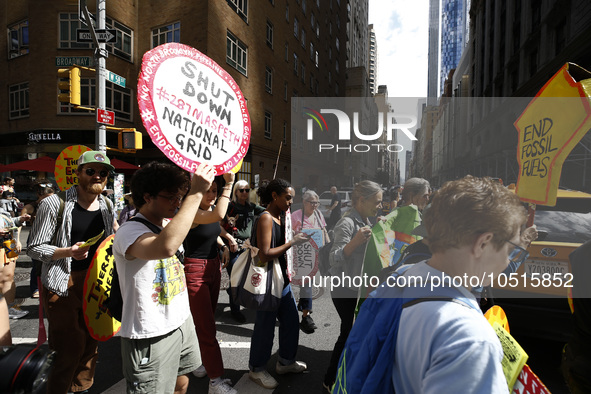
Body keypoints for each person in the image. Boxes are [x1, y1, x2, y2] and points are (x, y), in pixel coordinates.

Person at [391, 176, 528, 392]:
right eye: (509, 249)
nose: (507, 261)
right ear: (483, 243)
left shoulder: (400, 277)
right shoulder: (471, 340)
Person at [113, 162, 215, 394]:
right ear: (147, 197)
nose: (177, 203)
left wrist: (227, 185)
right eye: (171, 197)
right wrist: (196, 192)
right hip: (150, 332)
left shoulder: (168, 224)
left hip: (180, 321)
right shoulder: (129, 231)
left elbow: (215, 215)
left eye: (179, 197)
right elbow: (165, 247)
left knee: (181, 383)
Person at [27, 151, 118, 394]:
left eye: (103, 173)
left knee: (91, 343)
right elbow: (34, 248)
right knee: (68, 347)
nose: (97, 176)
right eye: (91, 171)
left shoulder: (108, 205)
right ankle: (59, 389)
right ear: (77, 173)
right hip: (62, 282)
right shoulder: (53, 203)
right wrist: (68, 251)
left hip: (96, 282)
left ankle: (81, 388)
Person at [248, 179, 311, 390]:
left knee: (291, 320)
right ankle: (256, 369)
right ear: (274, 196)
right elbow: (265, 255)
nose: (291, 202)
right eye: (288, 197)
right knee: (264, 328)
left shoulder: (281, 216)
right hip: (267, 281)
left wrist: (294, 237)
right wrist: (292, 242)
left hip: (281, 280)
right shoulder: (266, 218)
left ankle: (285, 362)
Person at [323, 180, 383, 391]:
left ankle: (348, 371)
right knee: (348, 331)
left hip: (357, 285)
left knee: (355, 330)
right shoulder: (346, 223)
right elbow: (334, 258)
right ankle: (330, 379)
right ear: (361, 200)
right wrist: (355, 242)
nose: (380, 206)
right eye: (377, 202)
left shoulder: (366, 219)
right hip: (344, 287)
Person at [183, 172, 238, 394]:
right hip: (195, 270)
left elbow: (214, 228)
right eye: (207, 190)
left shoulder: (205, 213)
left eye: (215, 190)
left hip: (213, 267)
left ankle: (198, 361)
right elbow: (218, 215)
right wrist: (229, 184)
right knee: (207, 328)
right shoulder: (190, 211)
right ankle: (216, 380)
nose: (212, 194)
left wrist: (223, 243)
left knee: (204, 321)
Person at [222, 179, 265, 323]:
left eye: (247, 190)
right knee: (236, 278)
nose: (245, 193)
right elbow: (218, 225)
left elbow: (268, 211)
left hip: (247, 248)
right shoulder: (228, 207)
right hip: (232, 248)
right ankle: (235, 310)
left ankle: (232, 292)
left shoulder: (252, 207)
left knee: (247, 277)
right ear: (236, 192)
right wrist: (228, 240)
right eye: (242, 190)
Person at [291, 189, 329, 334]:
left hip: (317, 254)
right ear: (304, 202)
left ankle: (304, 310)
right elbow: (289, 234)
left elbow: (324, 231)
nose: (315, 205)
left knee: (307, 284)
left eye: (316, 203)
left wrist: (328, 246)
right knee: (306, 283)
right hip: (301, 255)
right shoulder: (295, 216)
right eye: (312, 202)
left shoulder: (319, 215)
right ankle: (306, 317)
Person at [21, 185, 55, 298]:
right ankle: (35, 288)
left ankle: (49, 286)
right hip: (35, 237)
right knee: (37, 265)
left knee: (52, 263)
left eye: (51, 197)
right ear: (38, 195)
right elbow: (19, 224)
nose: (48, 200)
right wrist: (17, 240)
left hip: (52, 237)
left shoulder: (56, 204)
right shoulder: (30, 207)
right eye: (45, 197)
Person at [1, 212, 30, 320]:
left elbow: (9, 222)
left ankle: (9, 308)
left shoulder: (2, 210)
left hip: (7, 247)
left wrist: (19, 219)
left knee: (8, 278)